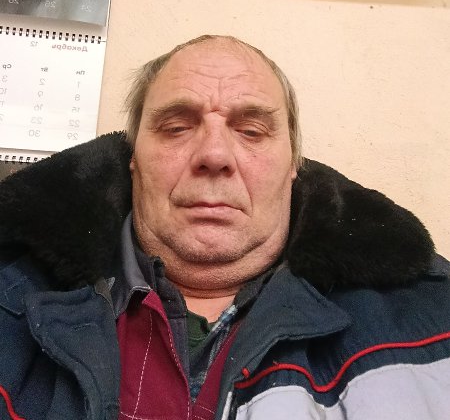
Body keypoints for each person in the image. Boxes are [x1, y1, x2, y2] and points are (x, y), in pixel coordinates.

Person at [0, 34, 449, 420]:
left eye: (251, 131)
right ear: (133, 157)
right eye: (176, 127)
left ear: (294, 165)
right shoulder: (11, 295)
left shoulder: (433, 315)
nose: (214, 155)